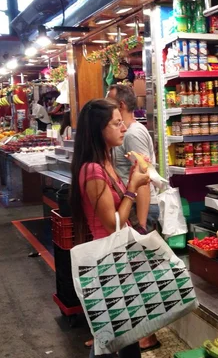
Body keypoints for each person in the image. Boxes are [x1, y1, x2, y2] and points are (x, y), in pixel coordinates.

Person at [69, 99, 149, 358]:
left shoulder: (105, 164)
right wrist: (133, 187)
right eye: (116, 124)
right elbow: (113, 224)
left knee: (123, 337)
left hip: (118, 259)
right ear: (99, 130)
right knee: (115, 339)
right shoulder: (93, 170)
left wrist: (133, 177)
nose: (123, 128)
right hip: (108, 263)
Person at [106, 84, 161, 352]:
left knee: (142, 274)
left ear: (122, 107)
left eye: (111, 103)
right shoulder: (126, 133)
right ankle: (136, 332)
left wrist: (139, 223)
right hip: (133, 206)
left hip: (140, 208)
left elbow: (145, 178)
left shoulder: (132, 134)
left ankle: (147, 335)